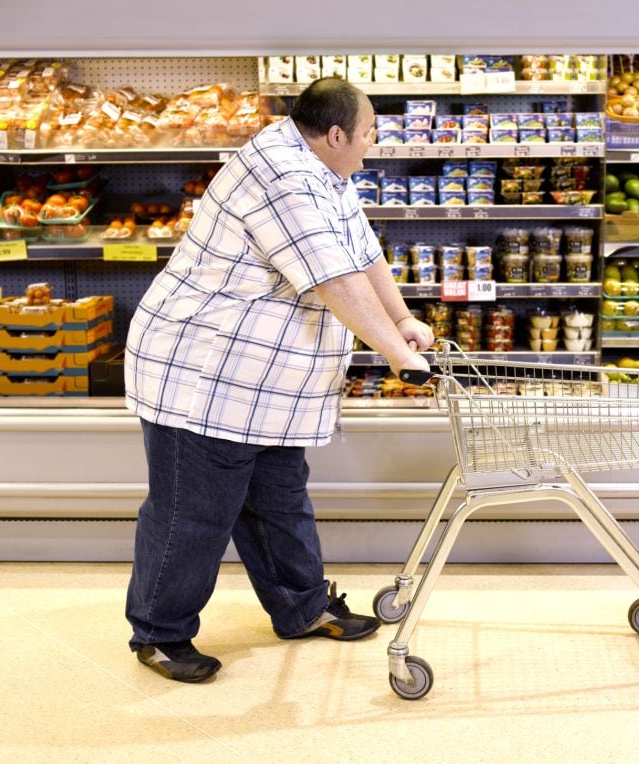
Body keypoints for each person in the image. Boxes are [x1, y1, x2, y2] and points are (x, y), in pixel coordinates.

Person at [123, 77, 434, 683]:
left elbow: (362, 253)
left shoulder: (325, 169)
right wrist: (397, 353)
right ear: (337, 133)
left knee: (279, 501)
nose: (372, 146)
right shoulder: (283, 177)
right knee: (193, 513)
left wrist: (400, 318)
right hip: (207, 373)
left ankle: (301, 607)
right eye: (368, 134)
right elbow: (332, 279)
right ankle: (159, 634)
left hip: (263, 382)